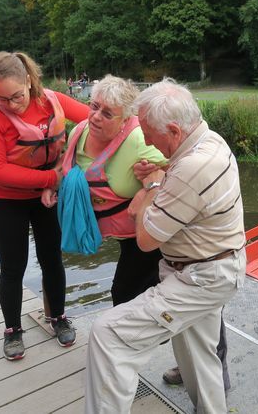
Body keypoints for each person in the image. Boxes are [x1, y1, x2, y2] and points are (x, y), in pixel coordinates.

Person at [84, 78, 246, 414]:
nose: (143, 138)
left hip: (199, 279)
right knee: (200, 357)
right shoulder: (209, 141)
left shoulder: (193, 166)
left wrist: (150, 189)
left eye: (146, 130)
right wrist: (162, 170)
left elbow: (145, 240)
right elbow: (183, 180)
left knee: (108, 334)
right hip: (215, 268)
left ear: (173, 130)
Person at [0, 51, 88, 360]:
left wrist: (76, 163)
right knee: (13, 267)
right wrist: (53, 178)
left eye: (16, 96)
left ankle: (58, 317)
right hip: (6, 202)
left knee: (52, 259)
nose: (12, 105)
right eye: (2, 99)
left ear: (28, 80)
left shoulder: (52, 101)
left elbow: (92, 120)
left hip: (47, 200)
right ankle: (12, 330)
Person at [45, 74, 166, 305]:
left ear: (125, 120)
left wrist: (148, 189)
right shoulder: (79, 132)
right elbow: (67, 163)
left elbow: (182, 169)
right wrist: (54, 185)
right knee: (133, 296)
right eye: (94, 106)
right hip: (116, 232)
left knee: (124, 294)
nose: (96, 116)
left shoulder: (138, 141)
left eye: (107, 113)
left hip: (144, 235)